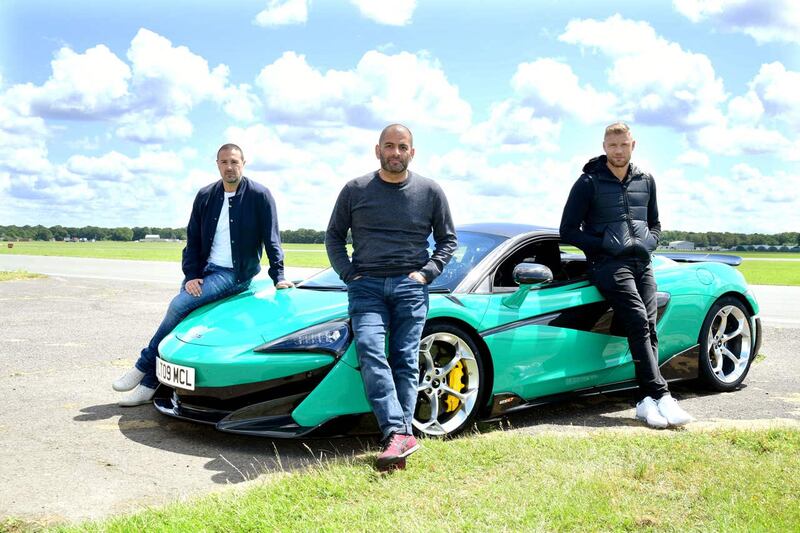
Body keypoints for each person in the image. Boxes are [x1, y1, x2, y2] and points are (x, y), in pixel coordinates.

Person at [113, 144, 294, 406]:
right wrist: (191, 275)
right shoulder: (206, 195)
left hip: (235, 273)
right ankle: (149, 386)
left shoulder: (260, 195)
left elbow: (272, 238)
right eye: (224, 162)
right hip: (205, 270)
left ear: (243, 163)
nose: (229, 167)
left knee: (178, 305)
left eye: (234, 161)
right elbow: (194, 239)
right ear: (217, 164)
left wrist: (278, 276)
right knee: (180, 319)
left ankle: (142, 367)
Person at [325, 124, 457, 470]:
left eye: (402, 147)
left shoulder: (430, 191)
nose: (395, 152)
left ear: (412, 152)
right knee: (369, 350)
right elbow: (334, 237)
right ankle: (399, 432)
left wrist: (426, 273)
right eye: (389, 146)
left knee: (404, 358)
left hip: (410, 287)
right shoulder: (355, 190)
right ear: (377, 150)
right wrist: (349, 274)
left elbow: (447, 241)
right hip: (366, 286)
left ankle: (396, 437)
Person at [559, 122, 693, 429]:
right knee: (636, 318)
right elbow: (568, 230)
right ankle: (661, 395)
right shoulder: (588, 182)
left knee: (649, 324)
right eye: (612, 146)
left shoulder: (646, 180)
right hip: (606, 265)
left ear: (633, 145)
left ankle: (645, 401)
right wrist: (604, 243)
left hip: (642, 264)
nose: (618, 151)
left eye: (623, 145)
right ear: (604, 147)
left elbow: (656, 223)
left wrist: (648, 243)